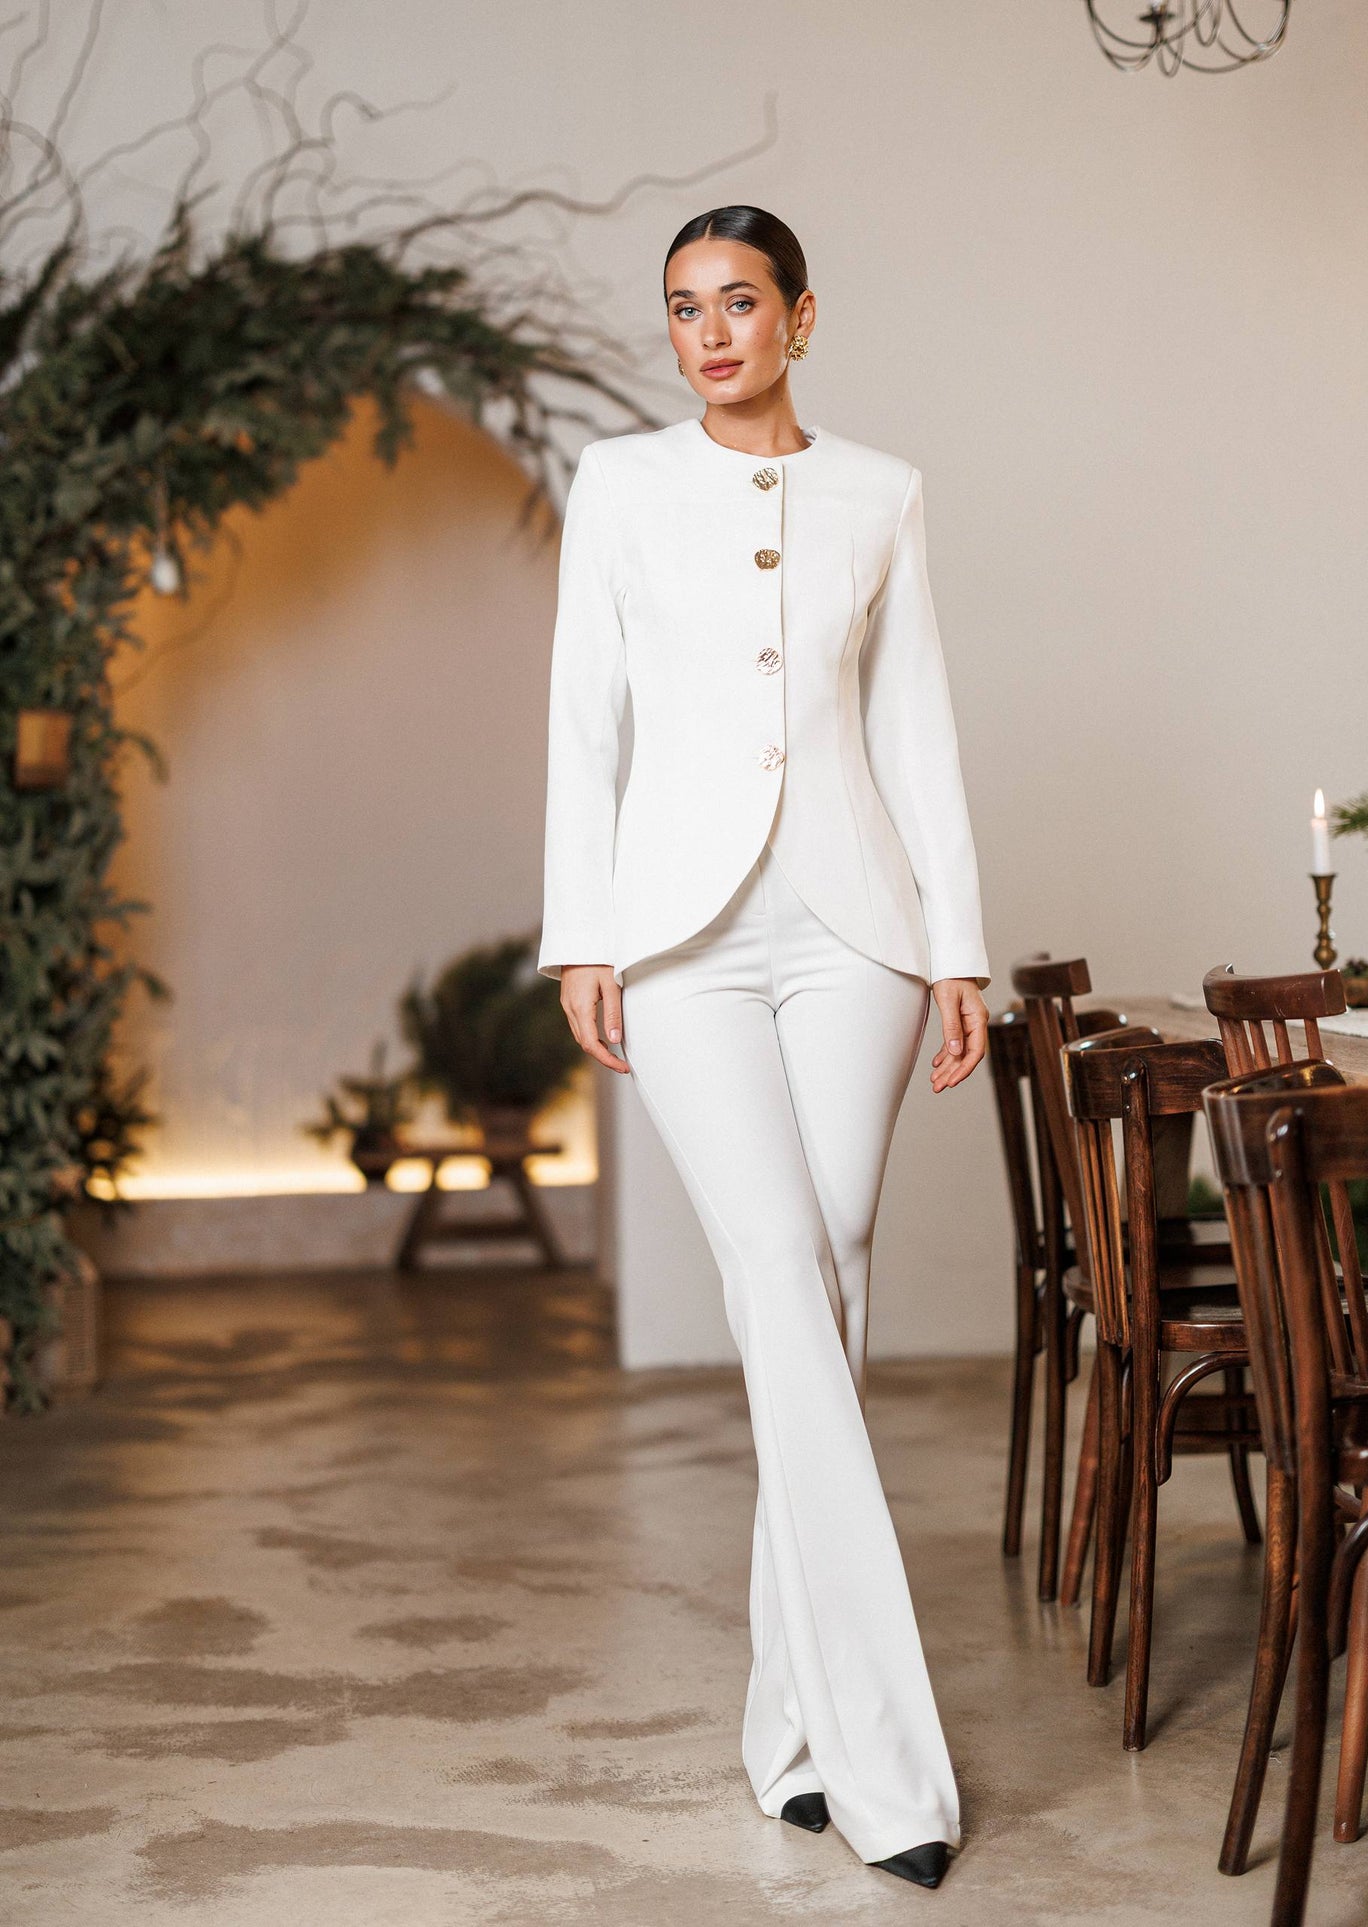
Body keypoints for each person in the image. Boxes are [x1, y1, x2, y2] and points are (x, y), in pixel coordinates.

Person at [537, 204, 989, 1891]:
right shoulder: (619, 485)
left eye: (738, 302)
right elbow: (587, 713)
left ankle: (785, 1725)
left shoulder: (883, 491)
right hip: (682, 939)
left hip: (856, 932)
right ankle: (886, 1767)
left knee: (833, 1273)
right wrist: (578, 929)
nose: (707, 332)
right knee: (779, 1262)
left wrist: (953, 946)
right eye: (681, 310)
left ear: (803, 314)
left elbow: (913, 720)